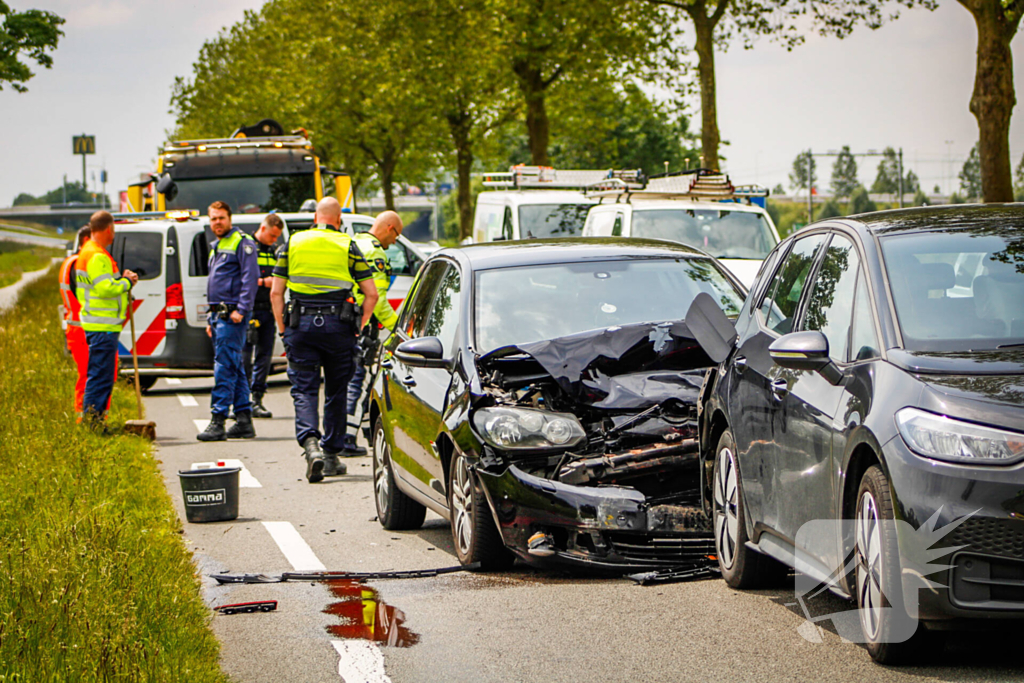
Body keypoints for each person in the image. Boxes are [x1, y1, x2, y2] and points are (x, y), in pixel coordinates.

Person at [270, 197, 378, 482]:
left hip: (300, 325)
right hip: (339, 326)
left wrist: (283, 330)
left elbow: (276, 293)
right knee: (337, 391)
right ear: (338, 219)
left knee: (304, 390)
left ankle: (311, 446)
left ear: (315, 217)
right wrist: (359, 327)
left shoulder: (293, 242)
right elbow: (371, 294)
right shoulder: (347, 244)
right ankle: (330, 455)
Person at [342, 211, 404, 456]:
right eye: (397, 235)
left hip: (348, 322)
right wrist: (400, 328)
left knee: (353, 380)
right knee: (360, 382)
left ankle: (365, 433)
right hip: (365, 326)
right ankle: (347, 438)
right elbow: (377, 300)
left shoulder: (355, 242)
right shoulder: (375, 251)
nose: (395, 241)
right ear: (389, 227)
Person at [197, 201, 259, 442]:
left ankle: (218, 419)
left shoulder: (242, 242)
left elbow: (250, 278)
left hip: (232, 315)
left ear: (230, 219)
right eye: (213, 219)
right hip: (219, 315)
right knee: (235, 367)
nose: (217, 223)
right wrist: (210, 317)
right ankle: (244, 420)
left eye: (221, 218)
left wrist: (242, 309)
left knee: (224, 367)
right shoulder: (218, 245)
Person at [76, 211, 137, 425]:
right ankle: (94, 422)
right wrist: (127, 283)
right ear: (109, 229)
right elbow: (105, 288)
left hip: (96, 323)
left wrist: (122, 280)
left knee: (99, 375)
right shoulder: (97, 255)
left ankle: (94, 420)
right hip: (102, 325)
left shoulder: (87, 251)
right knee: (101, 377)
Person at [244, 213, 285, 419]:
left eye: (277, 236)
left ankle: (257, 399)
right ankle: (242, 401)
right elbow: (241, 278)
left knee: (264, 357)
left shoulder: (272, 251)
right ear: (262, 228)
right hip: (249, 309)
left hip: (267, 310)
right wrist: (263, 282)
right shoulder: (247, 248)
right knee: (244, 357)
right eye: (272, 235)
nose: (274, 240)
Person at [59, 226, 95, 420]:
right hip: (83, 330)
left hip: (76, 328)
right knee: (89, 375)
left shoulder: (69, 262)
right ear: (86, 240)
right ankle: (85, 417)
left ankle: (86, 416)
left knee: (86, 374)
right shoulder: (79, 265)